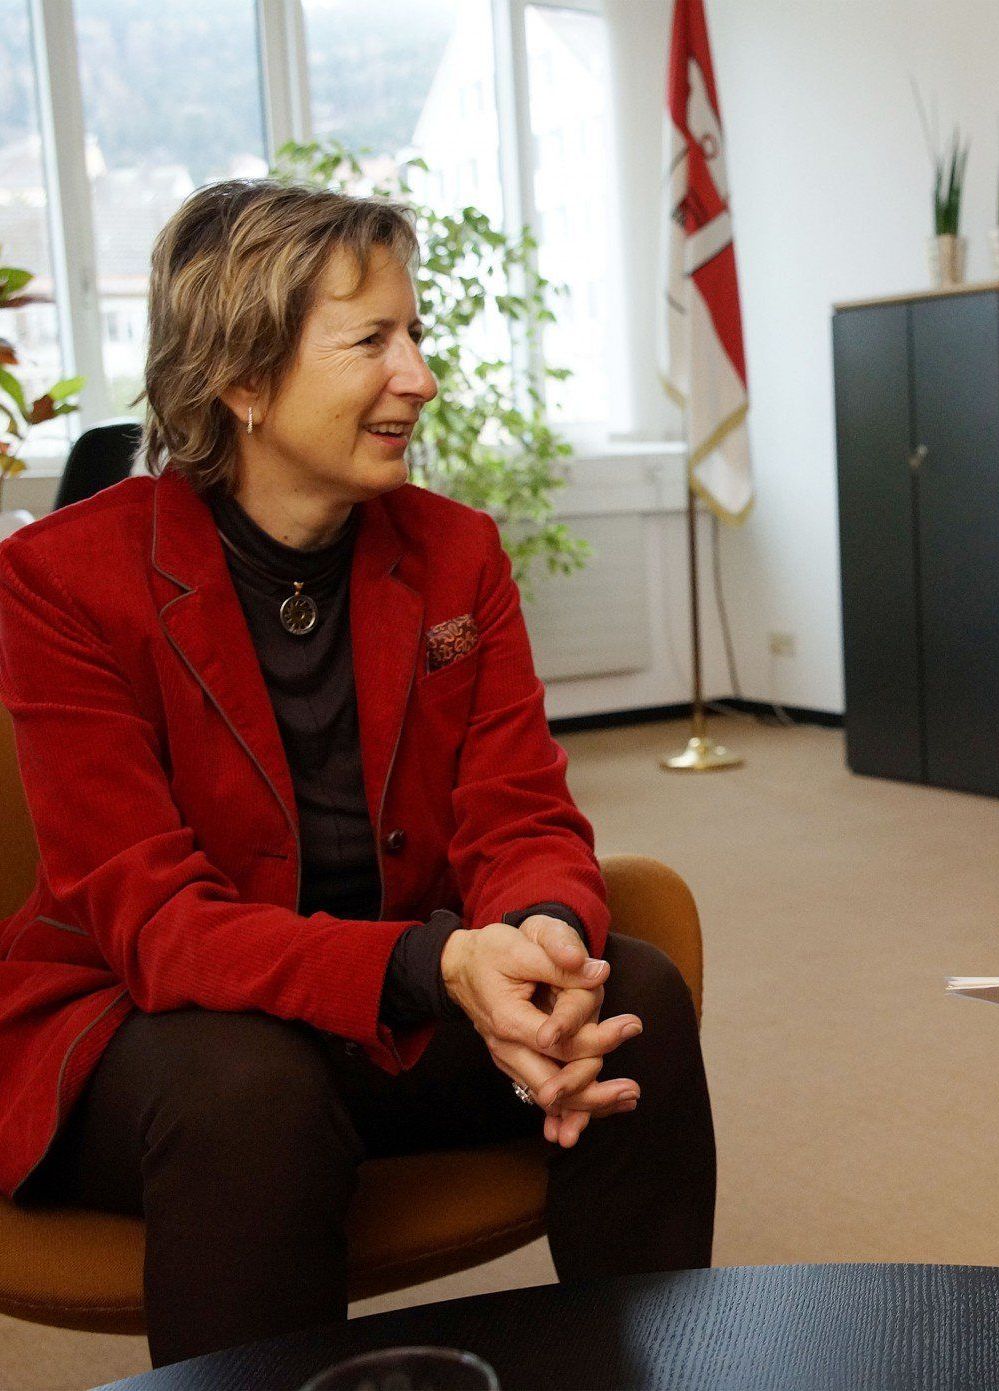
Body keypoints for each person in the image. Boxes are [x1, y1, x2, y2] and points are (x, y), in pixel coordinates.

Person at [0, 180, 716, 1367]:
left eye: (417, 334)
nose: (419, 376)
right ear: (240, 376)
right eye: (372, 340)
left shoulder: (456, 552)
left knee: (630, 1001)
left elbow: (522, 809)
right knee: (251, 1090)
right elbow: (153, 920)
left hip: (400, 996)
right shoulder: (65, 578)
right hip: (152, 1032)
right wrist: (435, 962)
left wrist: (539, 943)